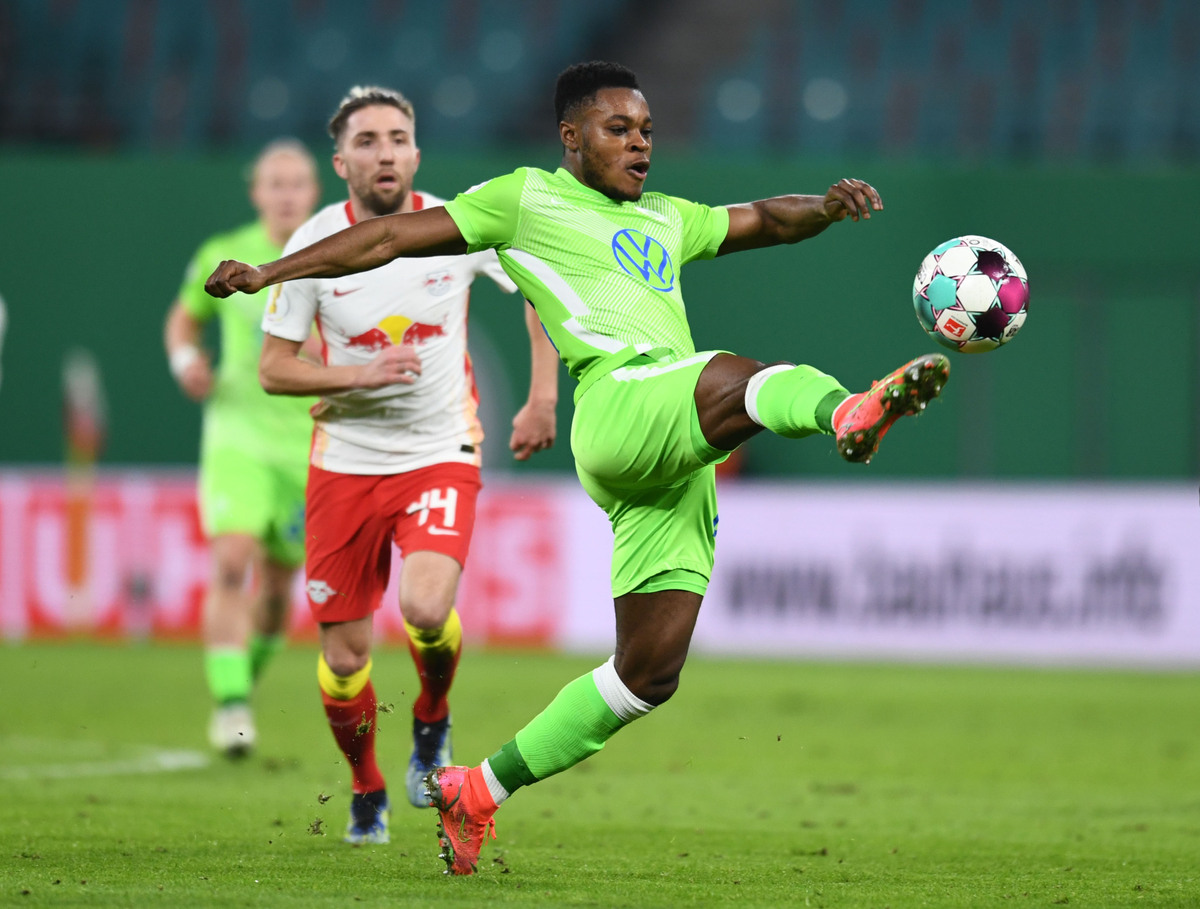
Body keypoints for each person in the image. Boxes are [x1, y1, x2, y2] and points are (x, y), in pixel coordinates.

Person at [206, 62, 950, 873]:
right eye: (618, 129)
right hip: (620, 404)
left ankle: (476, 790)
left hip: (672, 464)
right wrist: (270, 273)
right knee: (740, 376)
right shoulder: (525, 199)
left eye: (647, 131)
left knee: (645, 676)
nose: (640, 145)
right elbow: (387, 238)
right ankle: (847, 411)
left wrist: (828, 208)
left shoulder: (666, 216)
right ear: (571, 137)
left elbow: (766, 218)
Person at [254, 86, 559, 845]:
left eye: (397, 138)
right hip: (345, 464)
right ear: (341, 163)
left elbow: (542, 293)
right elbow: (274, 368)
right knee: (345, 657)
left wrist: (542, 397)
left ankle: (432, 718)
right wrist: (357, 376)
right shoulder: (313, 248)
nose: (384, 152)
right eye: (367, 141)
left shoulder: (458, 226)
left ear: (417, 154)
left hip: (439, 450)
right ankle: (367, 786)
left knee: (425, 608)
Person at [165, 138, 321, 758]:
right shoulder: (222, 255)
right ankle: (231, 706)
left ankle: (240, 687)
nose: (286, 195)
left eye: (296, 183)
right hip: (239, 434)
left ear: (314, 191)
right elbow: (184, 318)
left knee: (279, 592)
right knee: (232, 560)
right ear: (256, 192)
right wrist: (185, 361)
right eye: (274, 184)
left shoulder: (333, 254)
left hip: (308, 444)